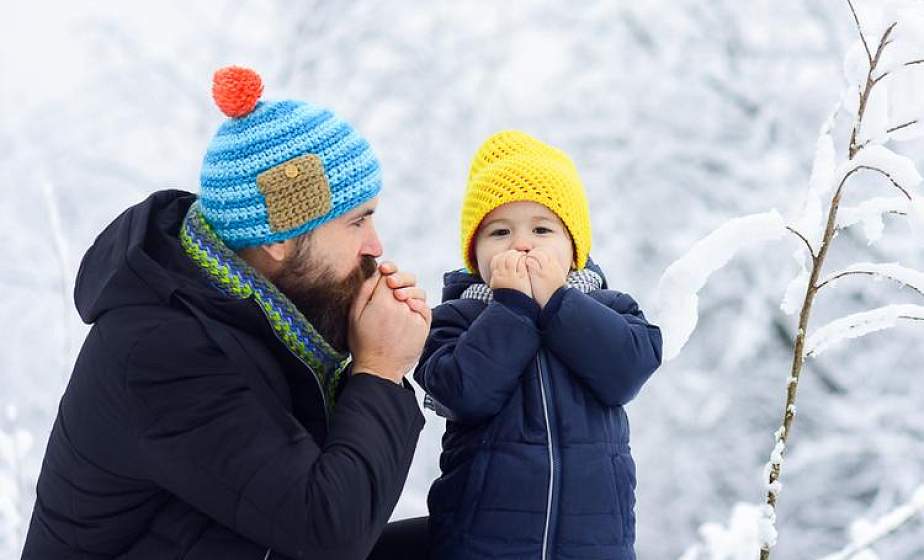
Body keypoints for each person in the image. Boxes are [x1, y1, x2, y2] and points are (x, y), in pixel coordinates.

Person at [23, 66, 430, 560]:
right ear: (279, 237)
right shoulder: (161, 351)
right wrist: (379, 371)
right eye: (356, 221)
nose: (375, 245)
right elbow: (329, 529)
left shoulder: (256, 319)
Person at [414, 130, 663, 559]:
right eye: (499, 232)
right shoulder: (459, 318)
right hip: (481, 544)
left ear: (574, 248)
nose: (521, 243)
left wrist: (559, 303)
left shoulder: (609, 306)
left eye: (542, 228)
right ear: (474, 255)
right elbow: (463, 393)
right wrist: (512, 308)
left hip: (595, 545)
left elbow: (627, 371)